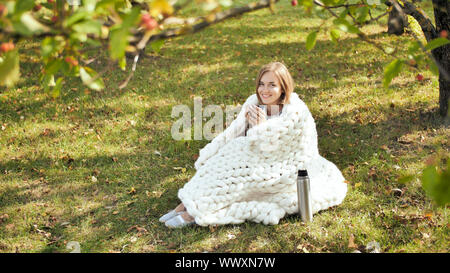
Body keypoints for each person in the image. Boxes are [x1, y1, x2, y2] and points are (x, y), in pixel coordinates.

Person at [160, 62, 348, 228]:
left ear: (283, 88)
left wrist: (260, 127)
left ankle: (194, 211)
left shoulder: (295, 112)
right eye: (261, 84)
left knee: (235, 165)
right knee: (222, 158)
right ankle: (186, 203)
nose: (264, 90)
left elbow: (281, 151)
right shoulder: (254, 102)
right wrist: (213, 152)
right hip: (254, 156)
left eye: (272, 85)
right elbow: (233, 132)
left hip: (284, 167)